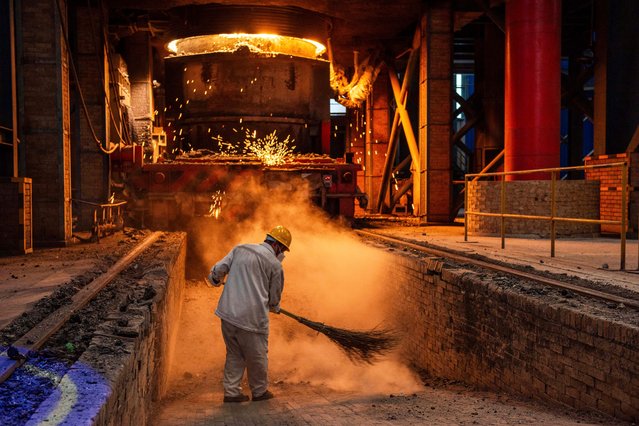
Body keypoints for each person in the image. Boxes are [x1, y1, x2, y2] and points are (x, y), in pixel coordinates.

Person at [207, 225, 292, 403]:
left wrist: (215, 279)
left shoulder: (240, 249)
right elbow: (274, 296)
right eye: (283, 249)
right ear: (277, 246)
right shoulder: (275, 265)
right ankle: (260, 391)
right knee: (257, 356)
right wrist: (274, 306)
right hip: (251, 319)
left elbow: (218, 270)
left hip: (228, 314)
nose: (282, 253)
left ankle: (232, 392)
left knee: (234, 353)